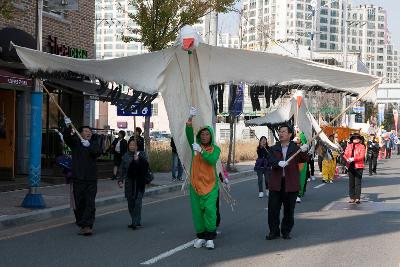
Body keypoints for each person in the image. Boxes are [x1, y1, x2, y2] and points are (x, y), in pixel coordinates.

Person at [266, 124, 309, 240]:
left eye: (283, 131)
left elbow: (305, 159)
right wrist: (277, 163)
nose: (281, 133)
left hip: (291, 183)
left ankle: (286, 231)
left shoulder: (296, 149)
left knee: (289, 209)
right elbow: (269, 160)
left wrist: (305, 150)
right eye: (280, 131)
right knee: (273, 209)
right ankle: (273, 231)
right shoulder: (274, 148)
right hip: (276, 183)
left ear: (290, 134)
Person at [186, 107, 221, 250]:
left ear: (211, 136)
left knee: (210, 211)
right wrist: (190, 118)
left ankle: (210, 238)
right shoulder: (195, 146)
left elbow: (212, 160)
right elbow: (189, 133)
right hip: (195, 186)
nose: (205, 136)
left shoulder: (215, 149)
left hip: (211, 186)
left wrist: (202, 152)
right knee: (197, 213)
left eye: (207, 134)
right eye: (202, 134)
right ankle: (201, 237)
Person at [63, 118, 101, 236]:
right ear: (80, 133)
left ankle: (87, 225)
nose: (88, 133)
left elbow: (98, 152)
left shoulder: (94, 144)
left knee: (90, 202)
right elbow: (67, 138)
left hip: (91, 179)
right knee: (79, 202)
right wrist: (68, 126)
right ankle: (82, 223)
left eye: (89, 131)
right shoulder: (75, 143)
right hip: (78, 178)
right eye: (85, 131)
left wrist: (89, 145)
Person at [118, 139, 149, 229]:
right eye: (130, 145)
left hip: (139, 182)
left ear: (137, 146)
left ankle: (135, 222)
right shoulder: (125, 156)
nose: (132, 147)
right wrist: (120, 180)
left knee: (137, 202)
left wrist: (138, 160)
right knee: (130, 203)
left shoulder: (142, 155)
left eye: (134, 145)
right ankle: (134, 220)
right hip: (129, 183)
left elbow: (146, 166)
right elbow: (122, 169)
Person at [343, 133, 366, 204]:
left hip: (358, 166)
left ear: (359, 139)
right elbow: (345, 154)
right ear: (352, 139)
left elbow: (362, 156)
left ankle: (357, 198)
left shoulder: (362, 146)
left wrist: (354, 159)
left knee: (358, 183)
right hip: (350, 165)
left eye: (357, 138)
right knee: (351, 183)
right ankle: (352, 197)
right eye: (354, 138)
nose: (356, 140)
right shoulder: (349, 146)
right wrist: (347, 159)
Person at [294, 132, 308, 203]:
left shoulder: (304, 148)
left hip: (302, 165)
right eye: (296, 143)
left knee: (301, 179)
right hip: (293, 165)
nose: (297, 144)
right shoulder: (293, 147)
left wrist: (302, 150)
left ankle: (298, 194)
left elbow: (306, 158)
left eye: (299, 143)